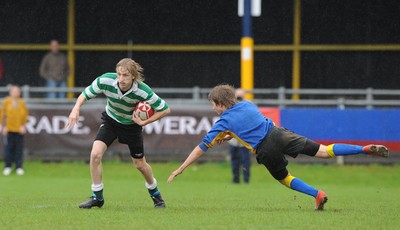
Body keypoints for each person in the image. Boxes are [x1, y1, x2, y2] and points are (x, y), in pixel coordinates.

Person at [167, 84, 390, 211]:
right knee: (325, 151)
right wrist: (229, 136)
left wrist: (182, 167)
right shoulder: (246, 104)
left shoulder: (223, 121)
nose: (214, 109)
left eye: (213, 105)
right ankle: (362, 149)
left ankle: (317, 194)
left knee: (285, 179)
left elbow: (201, 147)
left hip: (265, 148)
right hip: (278, 133)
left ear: (219, 104)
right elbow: (247, 124)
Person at [66, 58, 170, 209]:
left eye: (125, 75)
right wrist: (76, 108)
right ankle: (97, 197)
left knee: (140, 165)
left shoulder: (143, 90)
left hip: (132, 127)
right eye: (119, 74)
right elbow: (85, 93)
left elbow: (166, 109)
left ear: (133, 76)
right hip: (111, 121)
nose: (121, 79)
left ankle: (156, 196)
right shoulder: (106, 80)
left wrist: (144, 122)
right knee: (95, 155)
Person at [0, 85, 29, 176]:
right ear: (10, 92)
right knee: (8, 148)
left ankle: (18, 167)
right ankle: (8, 166)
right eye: (14, 91)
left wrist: (23, 126)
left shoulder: (22, 103)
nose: (16, 93)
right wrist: (3, 126)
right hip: (9, 129)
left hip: (19, 129)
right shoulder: (6, 102)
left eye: (17, 91)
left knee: (19, 149)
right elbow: (2, 115)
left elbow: (25, 115)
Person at [228, 88, 251, 184]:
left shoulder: (249, 105)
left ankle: (246, 180)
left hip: (244, 139)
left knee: (245, 160)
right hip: (233, 139)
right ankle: (235, 179)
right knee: (234, 160)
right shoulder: (230, 106)